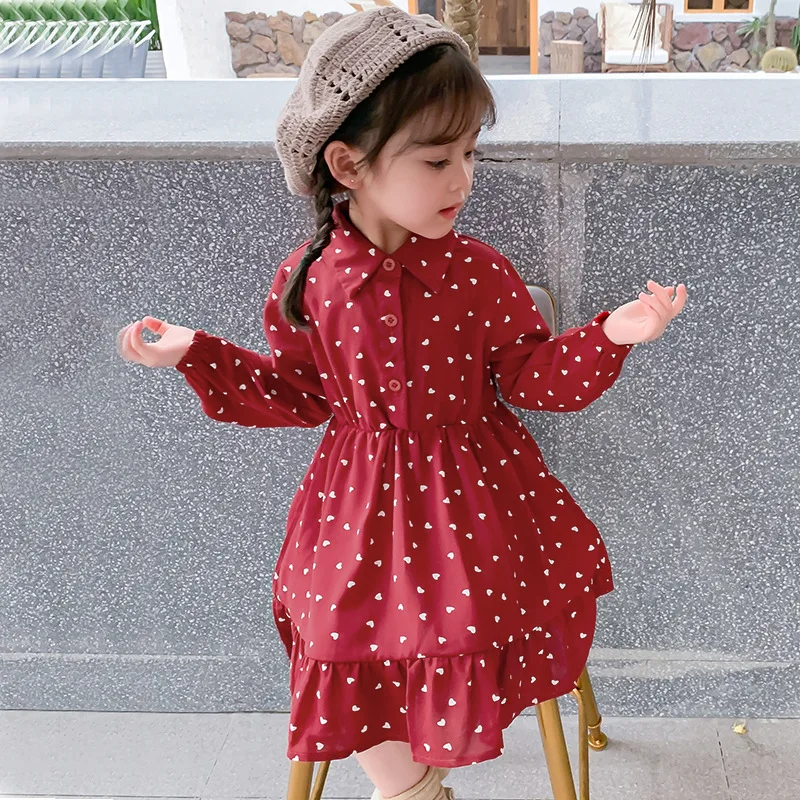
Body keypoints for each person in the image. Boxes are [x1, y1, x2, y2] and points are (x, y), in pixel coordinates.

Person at [117, 7, 687, 800]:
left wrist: (611, 335)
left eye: (470, 154)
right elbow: (298, 393)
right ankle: (414, 789)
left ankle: (420, 780)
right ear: (347, 165)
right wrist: (196, 352)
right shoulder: (311, 280)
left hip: (479, 501)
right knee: (336, 634)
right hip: (358, 505)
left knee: (460, 624)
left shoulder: (478, 272)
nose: (463, 180)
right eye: (437, 159)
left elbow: (531, 377)